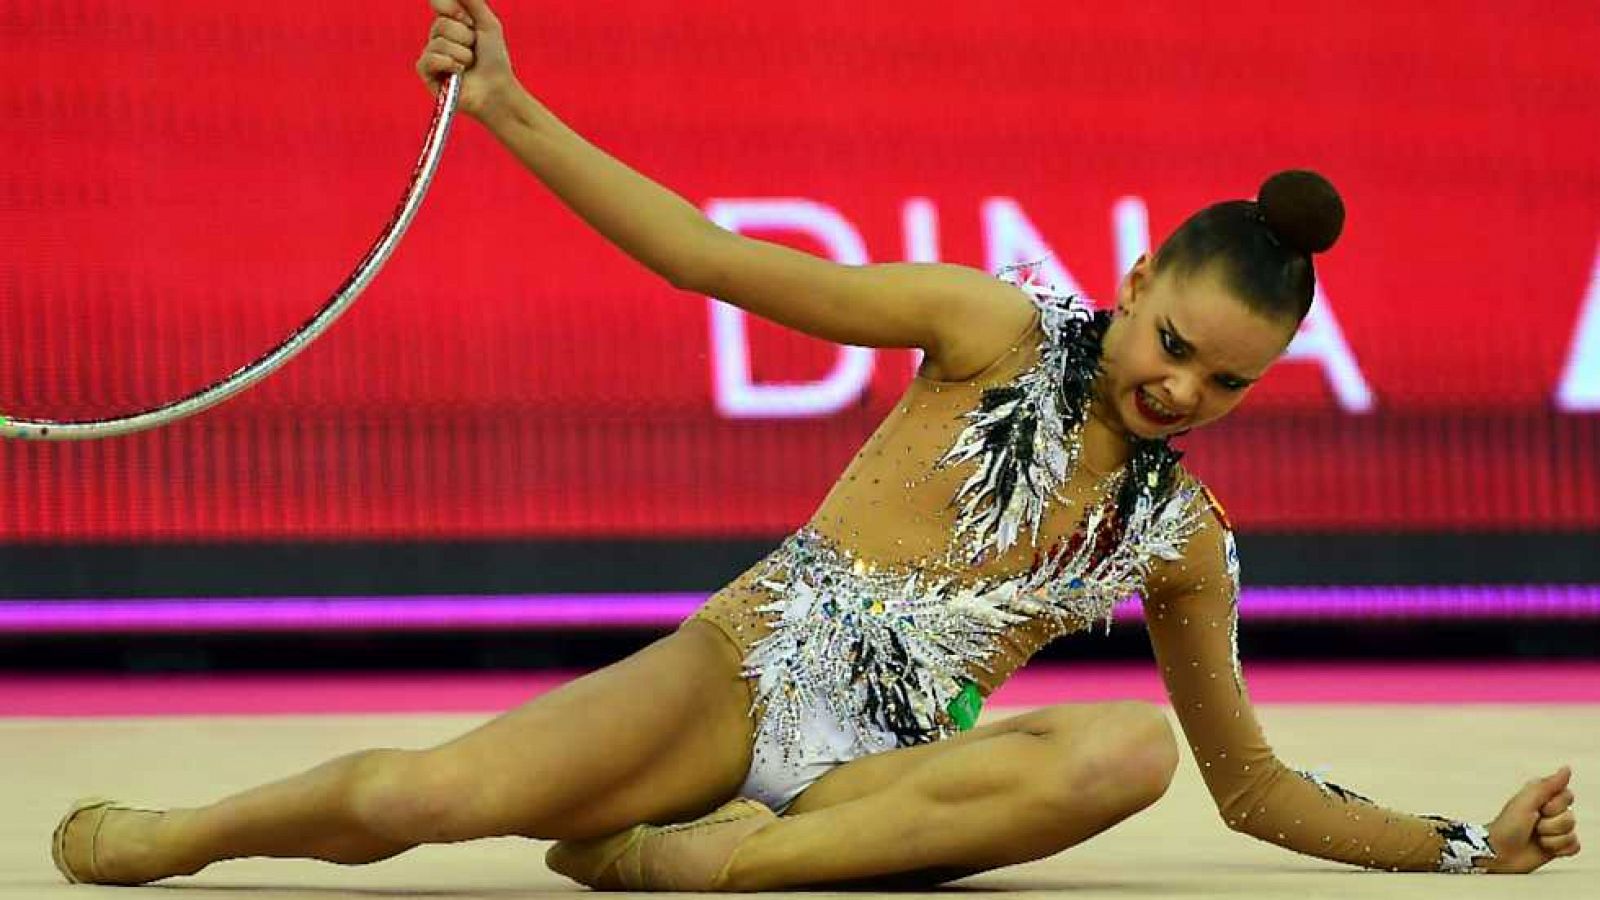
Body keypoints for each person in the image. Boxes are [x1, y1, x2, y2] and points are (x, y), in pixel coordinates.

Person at [51, 0, 1582, 889]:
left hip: (890, 793)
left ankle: (691, 866)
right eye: (1173, 345)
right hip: (744, 674)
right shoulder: (983, 327)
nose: (1183, 391)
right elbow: (718, 263)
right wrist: (511, 109)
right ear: (1128, 293)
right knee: (415, 805)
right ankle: (184, 836)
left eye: (1229, 384)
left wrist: (1464, 850)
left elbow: (1249, 789)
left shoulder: (1185, 540)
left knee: (1128, 753)